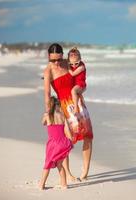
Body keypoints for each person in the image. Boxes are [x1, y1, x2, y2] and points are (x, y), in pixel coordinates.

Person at [43, 43, 93, 182]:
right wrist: (48, 112)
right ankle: (68, 174)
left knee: (87, 136)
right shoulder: (48, 72)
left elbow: (82, 75)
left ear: (62, 55)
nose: (57, 63)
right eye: (53, 60)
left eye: (59, 59)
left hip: (77, 103)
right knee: (66, 141)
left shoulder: (68, 63)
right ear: (48, 57)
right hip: (63, 107)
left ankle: (85, 172)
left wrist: (82, 89)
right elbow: (47, 94)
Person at [39, 96, 73, 190]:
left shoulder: (47, 115)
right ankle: (64, 185)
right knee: (59, 164)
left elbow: (43, 123)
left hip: (53, 144)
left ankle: (41, 185)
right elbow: (67, 130)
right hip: (63, 142)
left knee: (47, 164)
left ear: (50, 105)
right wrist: (70, 141)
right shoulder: (62, 115)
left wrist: (47, 120)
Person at [67, 47, 86, 114]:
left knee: (73, 91)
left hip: (81, 84)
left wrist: (68, 67)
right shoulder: (72, 64)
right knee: (75, 93)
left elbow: (72, 74)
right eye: (71, 64)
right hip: (76, 84)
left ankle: (75, 108)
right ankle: (81, 101)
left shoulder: (81, 67)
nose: (74, 66)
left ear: (80, 60)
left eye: (76, 63)